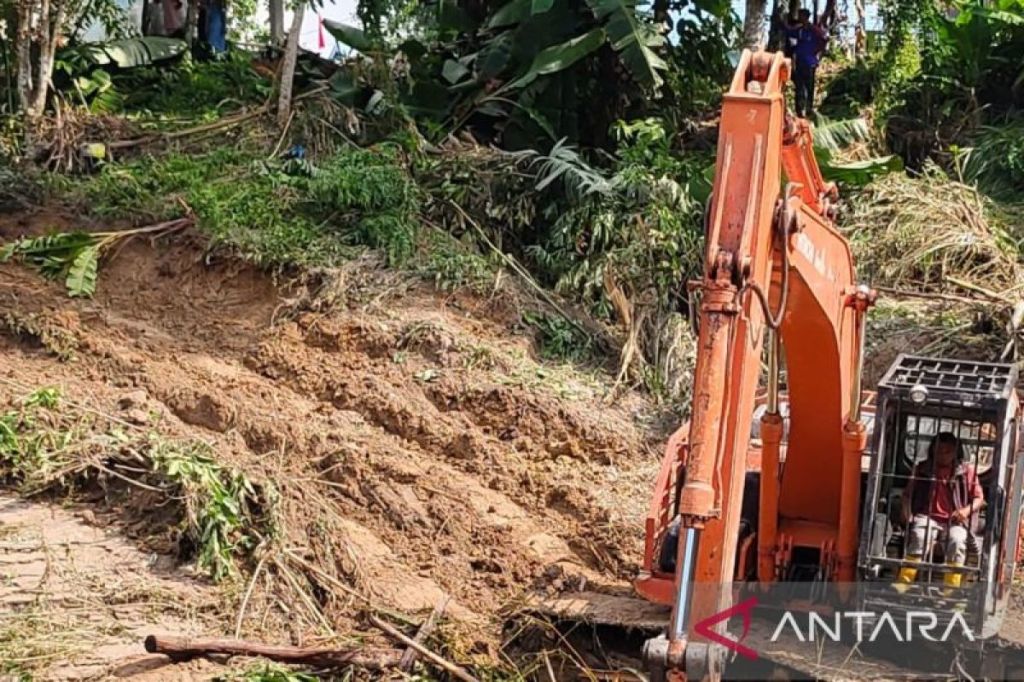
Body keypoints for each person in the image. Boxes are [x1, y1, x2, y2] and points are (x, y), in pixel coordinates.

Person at [895, 431, 985, 592]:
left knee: (957, 540)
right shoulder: (922, 469)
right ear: (932, 450)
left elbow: (979, 499)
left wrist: (965, 511)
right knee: (919, 536)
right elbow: (907, 494)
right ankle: (903, 584)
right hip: (926, 516)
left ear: (956, 452)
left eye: (948, 451)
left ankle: (950, 590)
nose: (943, 455)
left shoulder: (966, 471)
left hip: (955, 521)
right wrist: (906, 512)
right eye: (939, 451)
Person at [785, 9, 828, 118]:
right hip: (800, 62)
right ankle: (800, 110)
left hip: (810, 62)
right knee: (799, 86)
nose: (799, 17)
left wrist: (818, 52)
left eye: (801, 15)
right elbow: (789, 32)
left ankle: (809, 109)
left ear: (806, 17)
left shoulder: (813, 29)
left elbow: (824, 38)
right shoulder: (799, 30)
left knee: (809, 86)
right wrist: (781, 22)